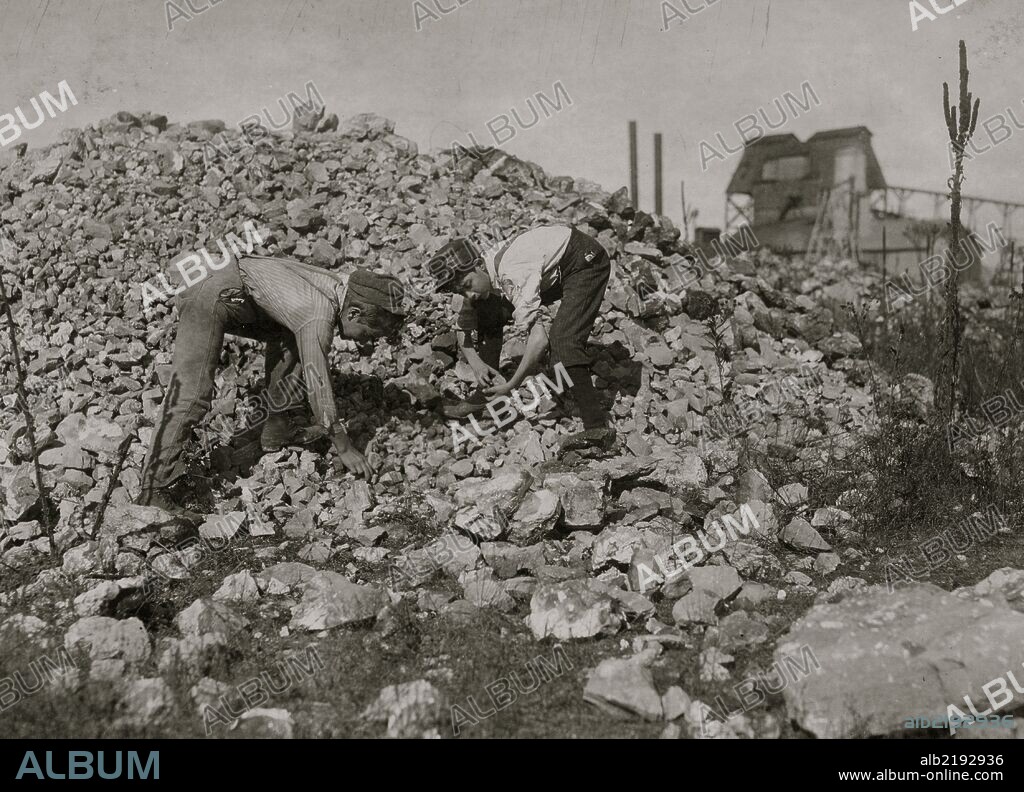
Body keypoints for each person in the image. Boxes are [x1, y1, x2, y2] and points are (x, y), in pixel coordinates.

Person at [138, 252, 405, 515]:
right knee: (192, 393)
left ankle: (276, 429)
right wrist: (343, 445)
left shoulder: (339, 287)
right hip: (210, 289)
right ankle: (155, 488)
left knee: (292, 335)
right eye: (370, 335)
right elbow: (318, 382)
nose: (367, 344)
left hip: (231, 282)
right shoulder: (318, 314)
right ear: (355, 313)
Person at [429, 224, 615, 448]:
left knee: (563, 343)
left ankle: (597, 431)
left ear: (478, 266)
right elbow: (463, 329)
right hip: (551, 268)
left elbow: (539, 341)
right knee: (486, 310)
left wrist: (512, 384)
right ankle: (486, 395)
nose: (469, 295)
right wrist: (477, 365)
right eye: (461, 292)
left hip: (584, 261)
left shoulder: (511, 272)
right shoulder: (483, 273)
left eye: (468, 286)